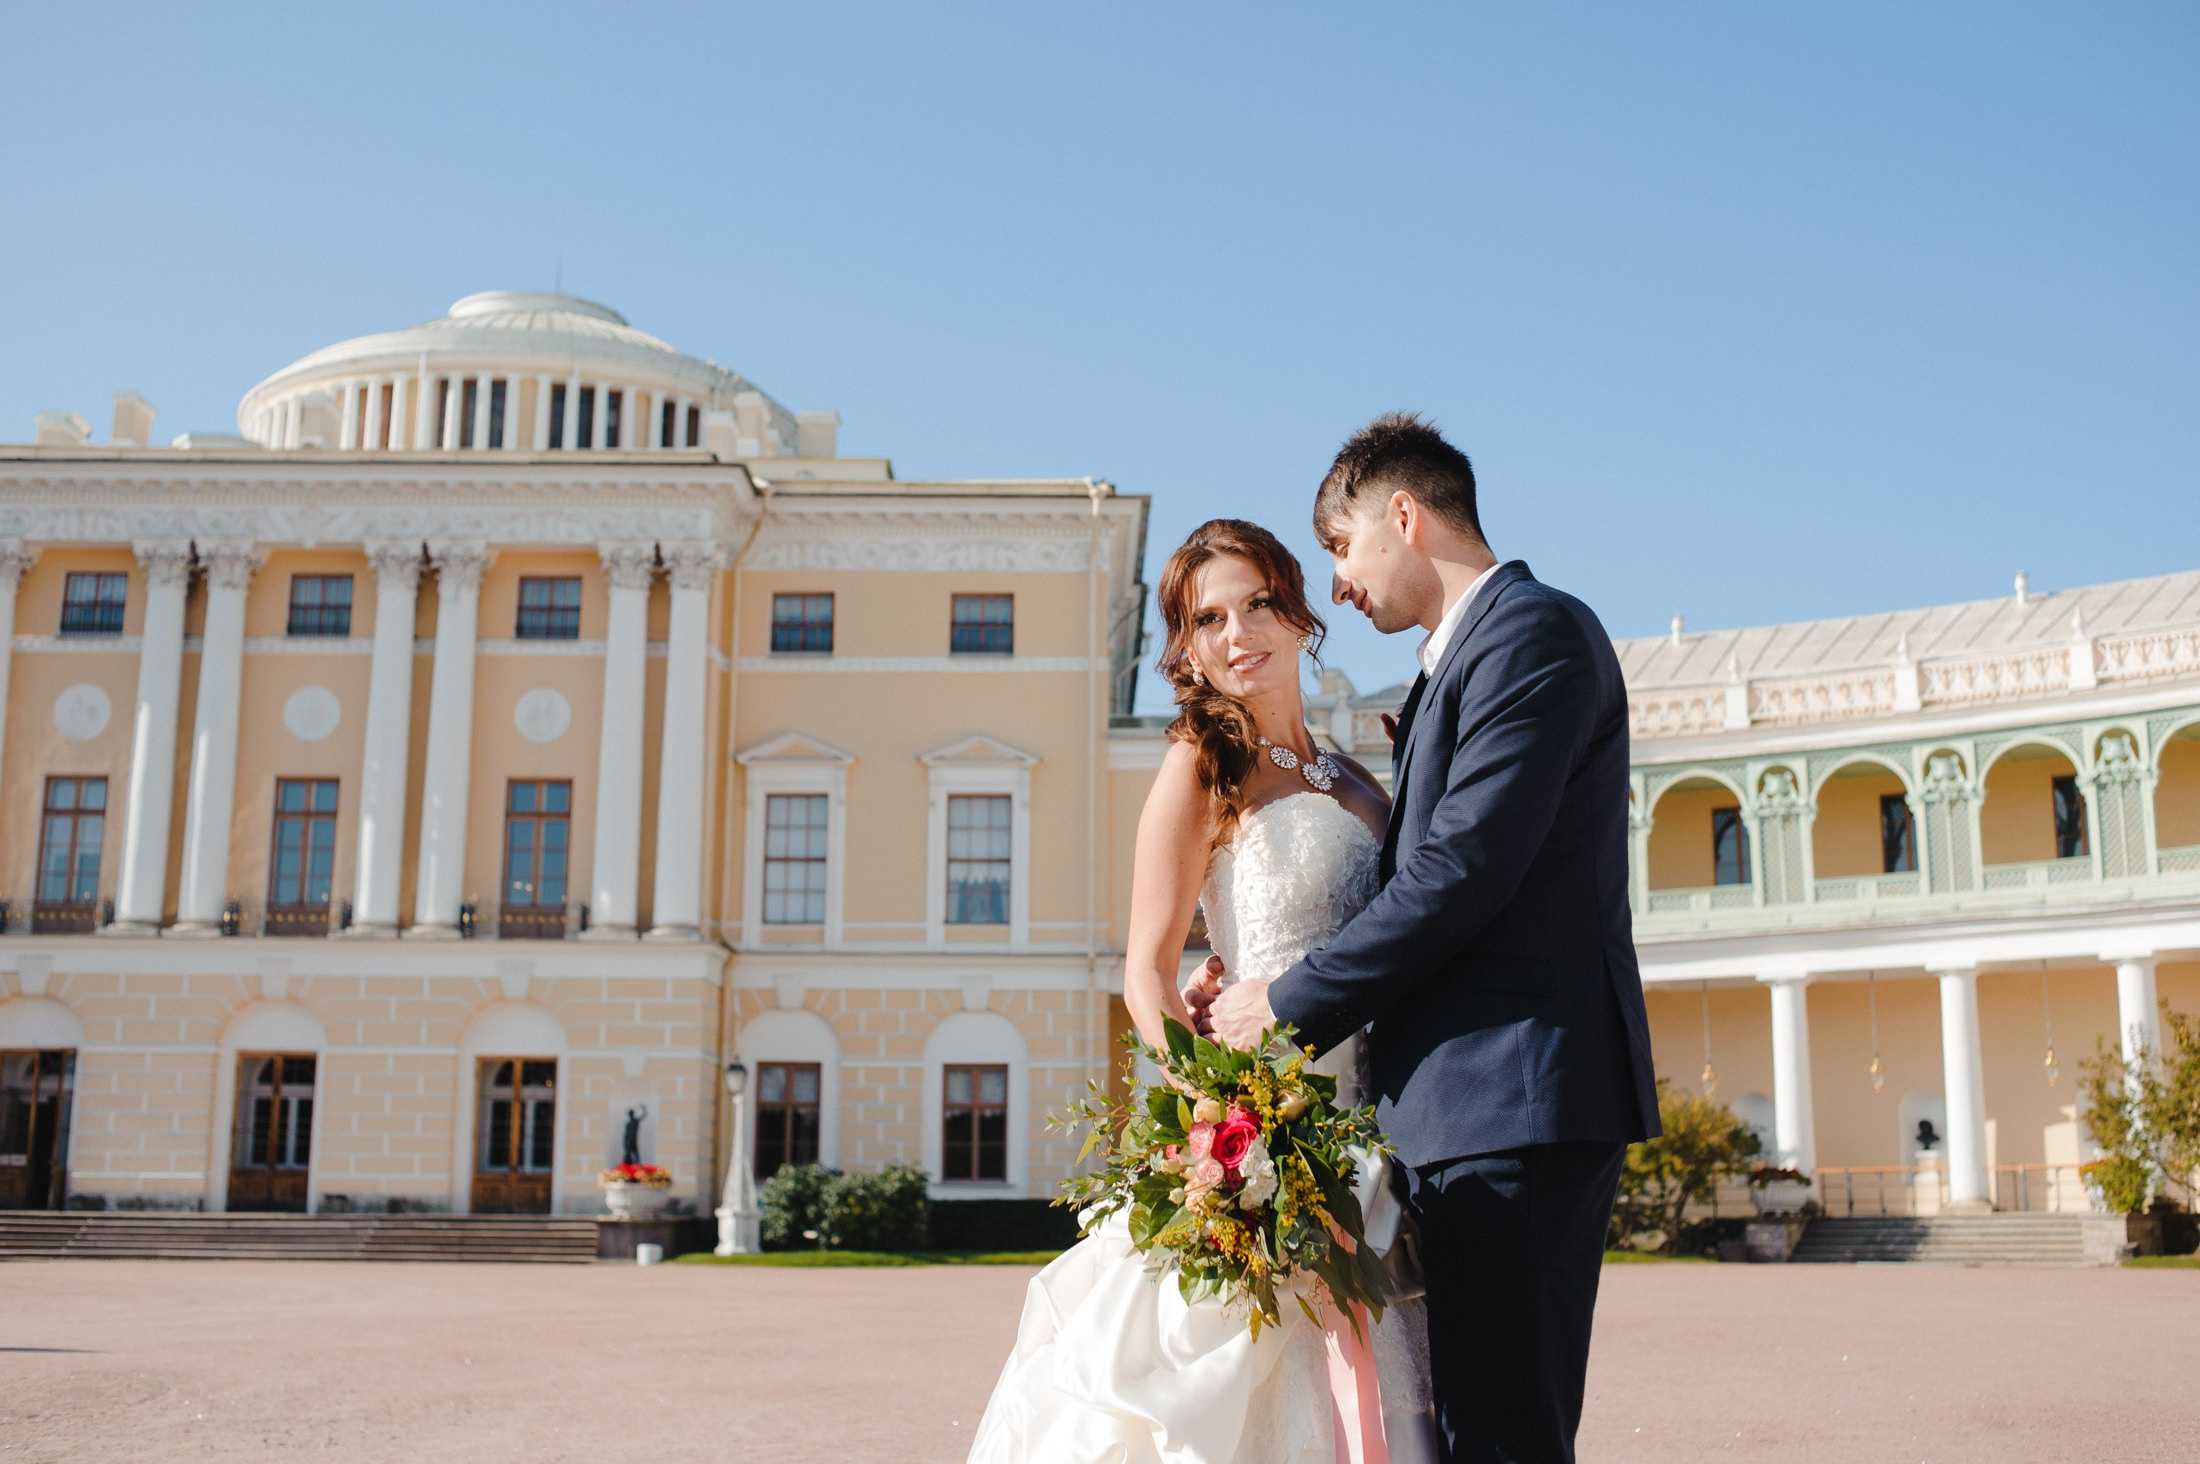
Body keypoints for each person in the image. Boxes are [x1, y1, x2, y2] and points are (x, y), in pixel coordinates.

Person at [1197, 414, 1661, 1463]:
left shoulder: (1532, 634)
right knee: (1454, 1432)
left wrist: (1287, 998)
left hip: (1515, 1096)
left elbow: (1463, 872)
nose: (1340, 585)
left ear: (1400, 516)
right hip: (1460, 1111)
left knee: (1500, 1435)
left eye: (1342, 550)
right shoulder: (1458, 663)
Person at [968, 519, 1437, 1464]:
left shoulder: (1357, 775)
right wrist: (1219, 1116)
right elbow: (1144, 971)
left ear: (1299, 612)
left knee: (1393, 1380)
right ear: (1184, 647)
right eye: (1208, 618)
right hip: (1268, 1121)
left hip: (1380, 1122)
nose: (1238, 633)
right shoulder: (1199, 761)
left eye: (1258, 602)